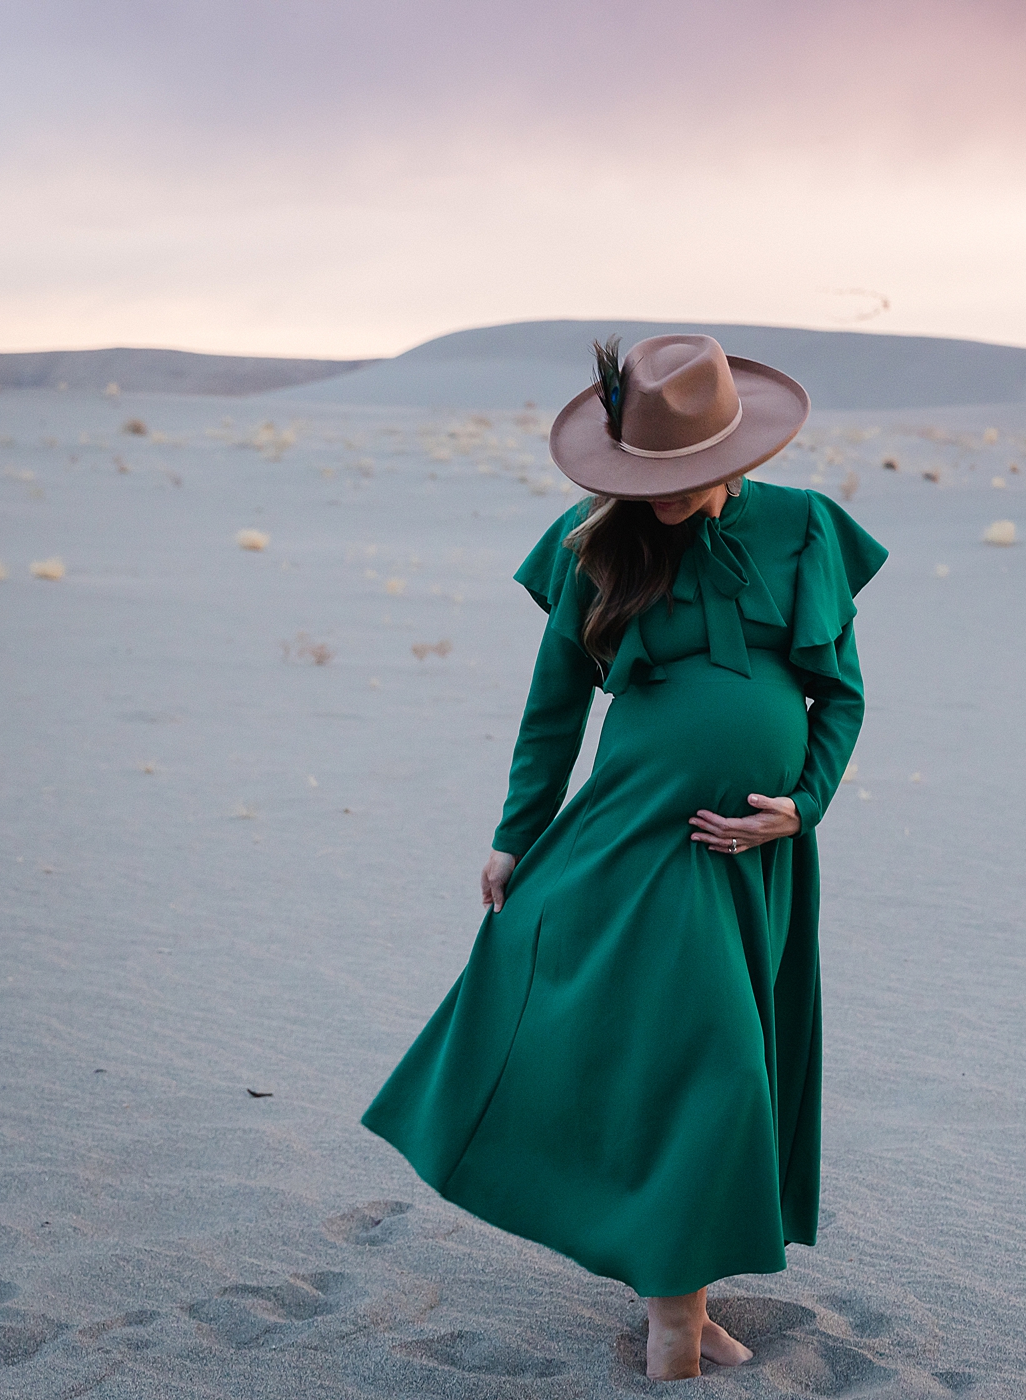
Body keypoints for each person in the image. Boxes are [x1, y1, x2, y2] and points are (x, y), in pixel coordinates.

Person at [362, 334, 885, 1380]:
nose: (663, 497)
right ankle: (675, 1326)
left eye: (683, 478)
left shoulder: (806, 529)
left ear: (735, 454)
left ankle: (675, 1281)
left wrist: (804, 807)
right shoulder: (593, 541)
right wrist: (516, 832)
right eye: (644, 477)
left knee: (709, 1067)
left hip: (756, 859)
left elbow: (843, 695)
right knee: (712, 1067)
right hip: (636, 842)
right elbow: (553, 705)